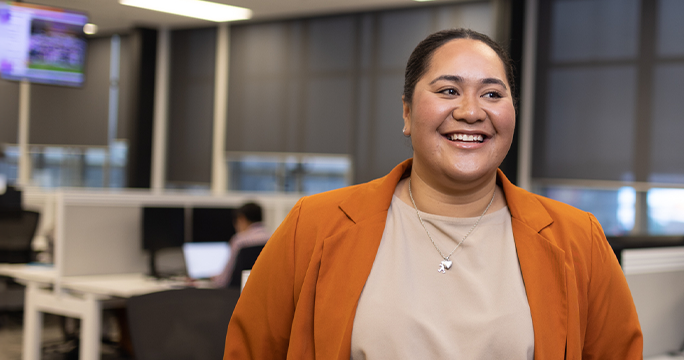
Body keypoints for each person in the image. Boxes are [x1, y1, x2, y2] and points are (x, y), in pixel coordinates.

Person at [224, 29, 643, 359]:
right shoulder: (313, 225)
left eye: (493, 94)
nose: (471, 111)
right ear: (406, 112)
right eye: (448, 90)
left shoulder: (577, 239)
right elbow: (252, 351)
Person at [212, 202, 268, 288]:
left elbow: (223, 280)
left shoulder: (239, 241)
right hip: (263, 290)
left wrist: (213, 279)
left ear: (241, 219)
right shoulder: (273, 238)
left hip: (238, 294)